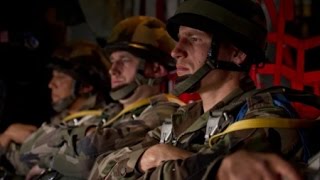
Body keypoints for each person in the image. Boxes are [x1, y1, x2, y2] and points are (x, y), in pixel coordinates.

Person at [92, 0, 309, 179]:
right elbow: (99, 169)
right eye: (179, 40)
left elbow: (212, 173)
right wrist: (149, 157)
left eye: (194, 39)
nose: (176, 51)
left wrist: (145, 163)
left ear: (237, 53)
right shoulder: (184, 117)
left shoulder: (265, 115)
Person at [25, 16, 184, 180]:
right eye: (113, 61)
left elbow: (90, 158)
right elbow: (28, 150)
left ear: (156, 70)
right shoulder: (110, 112)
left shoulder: (165, 111)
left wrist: (48, 160)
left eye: (124, 60)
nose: (112, 70)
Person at [0, 41, 119, 179]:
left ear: (85, 86)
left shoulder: (106, 120)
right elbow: (23, 163)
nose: (51, 84)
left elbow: (84, 162)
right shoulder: (63, 118)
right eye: (53, 75)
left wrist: (33, 139)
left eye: (60, 77)